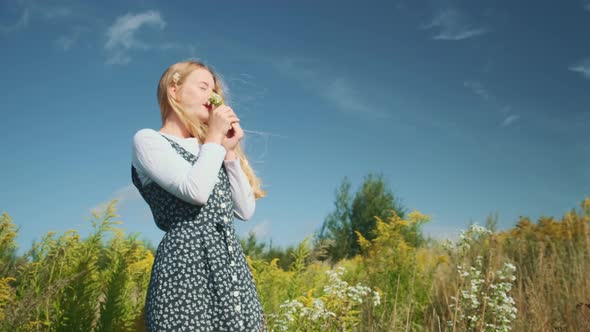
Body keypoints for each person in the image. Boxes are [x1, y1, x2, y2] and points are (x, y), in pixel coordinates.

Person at [130, 60, 267, 331]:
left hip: (229, 266)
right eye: (203, 87)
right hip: (185, 266)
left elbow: (244, 210)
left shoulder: (211, 149)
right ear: (174, 90)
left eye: (213, 90)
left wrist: (229, 153)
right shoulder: (149, 140)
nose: (211, 96)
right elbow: (195, 191)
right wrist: (215, 139)